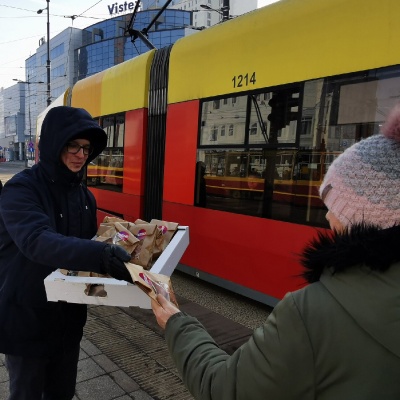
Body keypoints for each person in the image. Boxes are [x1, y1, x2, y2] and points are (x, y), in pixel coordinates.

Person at [151, 104, 400, 399]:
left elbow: (223, 389)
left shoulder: (311, 314)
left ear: (363, 218)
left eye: (334, 207)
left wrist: (176, 323)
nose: (327, 218)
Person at [0, 106, 133, 400]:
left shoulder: (85, 196)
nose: (80, 155)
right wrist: (101, 254)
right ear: (52, 144)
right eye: (72, 145)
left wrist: (121, 254)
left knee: (62, 394)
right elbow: (37, 240)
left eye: (86, 148)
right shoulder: (21, 190)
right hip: (26, 321)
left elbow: (83, 255)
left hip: (68, 323)